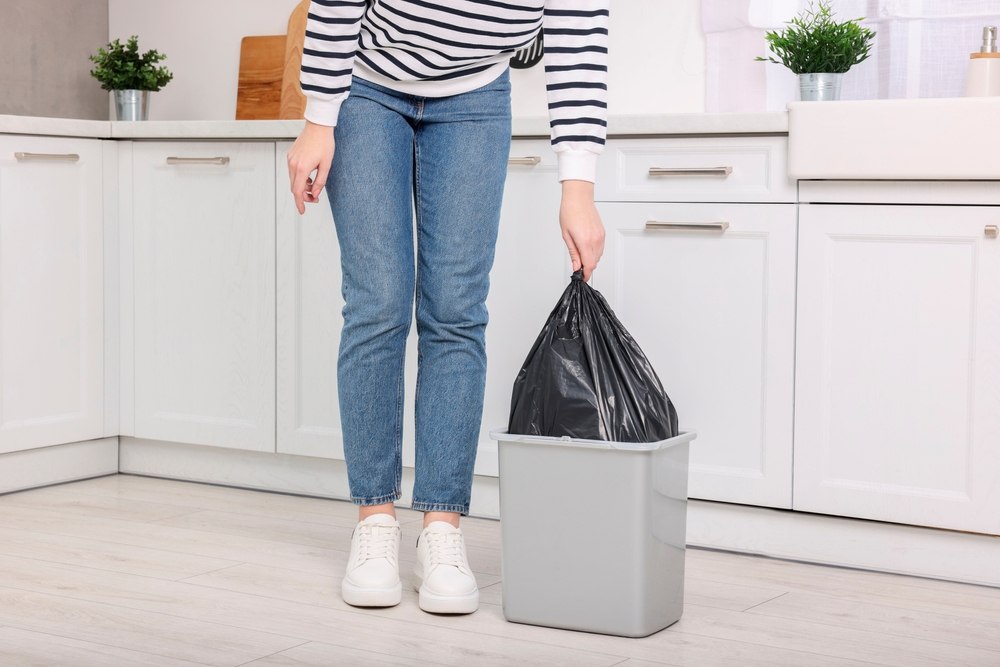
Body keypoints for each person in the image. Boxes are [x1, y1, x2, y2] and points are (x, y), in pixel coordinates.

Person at [286, 0, 609, 614]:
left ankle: (441, 529)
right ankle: (376, 524)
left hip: (476, 96)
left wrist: (579, 188)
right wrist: (319, 117)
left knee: (456, 313)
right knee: (377, 304)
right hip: (368, 85)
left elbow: (579, 40)